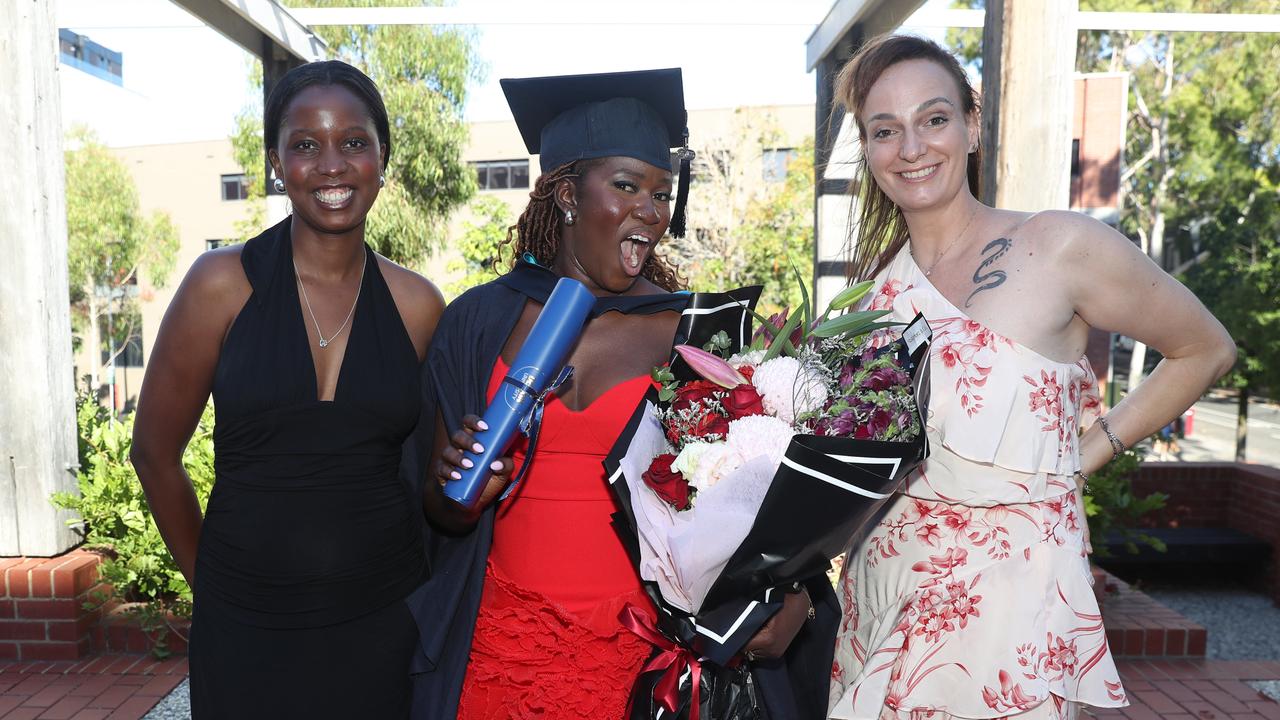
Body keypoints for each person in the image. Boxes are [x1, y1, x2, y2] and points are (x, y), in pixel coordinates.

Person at [402, 68, 837, 719]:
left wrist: (797, 595)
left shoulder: (695, 332)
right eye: (627, 186)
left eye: (661, 194)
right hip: (502, 651)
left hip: (646, 663)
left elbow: (755, 488)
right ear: (568, 195)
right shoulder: (479, 320)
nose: (651, 211)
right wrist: (462, 493)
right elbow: (440, 510)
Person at [825, 35, 1236, 720]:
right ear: (868, 150)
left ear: (971, 124)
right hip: (884, 593)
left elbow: (1205, 348)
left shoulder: (1059, 246)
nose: (912, 148)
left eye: (933, 119)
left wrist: (1089, 450)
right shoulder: (870, 300)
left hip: (1010, 601)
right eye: (884, 130)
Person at [129, 60, 444, 718]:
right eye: (305, 144)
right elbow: (154, 455)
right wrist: (213, 587)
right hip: (245, 631)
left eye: (354, 142)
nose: (332, 165)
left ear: (383, 157)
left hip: (384, 626)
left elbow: (429, 484)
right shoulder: (219, 285)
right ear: (276, 162)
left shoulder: (419, 305)